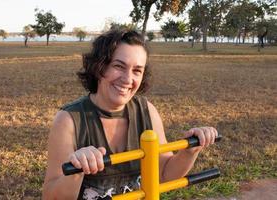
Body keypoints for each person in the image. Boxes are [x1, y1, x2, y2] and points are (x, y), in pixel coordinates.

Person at [42, 29, 218, 200]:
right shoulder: (69, 120)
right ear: (99, 67)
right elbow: (51, 196)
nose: (127, 79)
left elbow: (164, 175)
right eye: (119, 66)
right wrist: (77, 170)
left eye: (137, 71)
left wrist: (189, 152)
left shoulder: (147, 111)